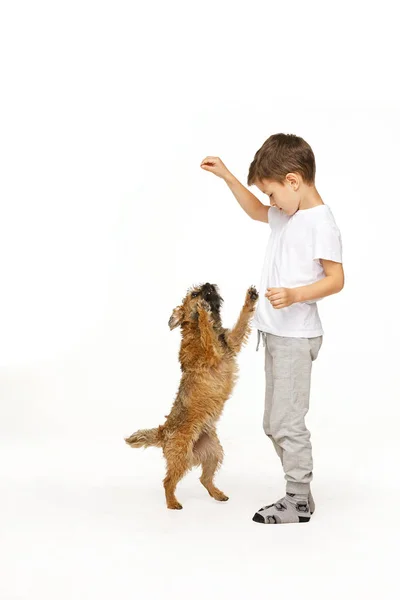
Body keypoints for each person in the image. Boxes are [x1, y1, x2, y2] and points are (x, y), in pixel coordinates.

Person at [200, 133, 344, 524]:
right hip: (277, 335)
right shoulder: (290, 213)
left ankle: (297, 499)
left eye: (272, 193)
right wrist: (229, 177)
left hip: (297, 337)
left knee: (286, 421)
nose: (270, 203)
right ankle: (300, 494)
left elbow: (336, 280)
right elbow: (253, 211)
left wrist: (297, 294)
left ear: (294, 181)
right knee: (272, 422)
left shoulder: (320, 223)